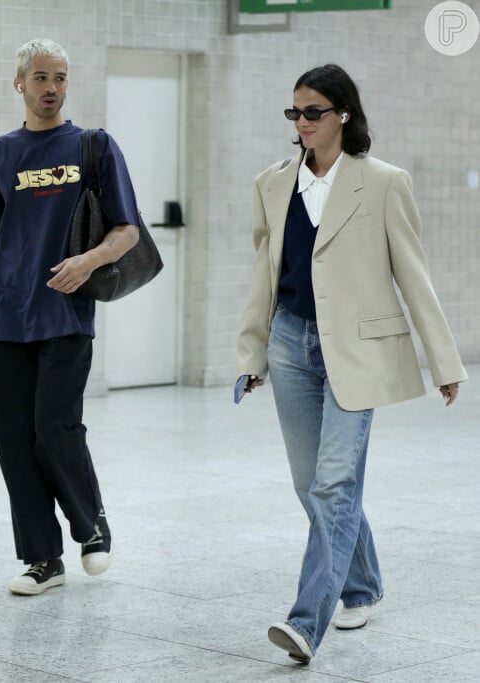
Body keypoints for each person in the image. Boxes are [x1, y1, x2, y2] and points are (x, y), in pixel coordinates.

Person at [236, 63, 467, 663]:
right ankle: (362, 584)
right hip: (289, 343)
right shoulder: (272, 183)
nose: (303, 123)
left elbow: (412, 276)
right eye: (295, 113)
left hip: (358, 349)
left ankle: (306, 621)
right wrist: (251, 351)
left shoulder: (385, 182)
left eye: (314, 112)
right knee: (310, 485)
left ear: (343, 113)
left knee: (334, 482)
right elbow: (264, 274)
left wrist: (443, 360)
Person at [0, 38, 141, 595]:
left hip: (65, 316)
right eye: (40, 78)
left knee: (54, 430)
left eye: (60, 78)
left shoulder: (92, 147)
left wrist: (90, 259)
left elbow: (127, 229)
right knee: (14, 441)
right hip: (6, 320)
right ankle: (42, 559)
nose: (51, 88)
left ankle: (90, 521)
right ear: (20, 84)